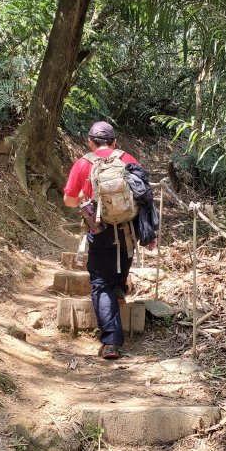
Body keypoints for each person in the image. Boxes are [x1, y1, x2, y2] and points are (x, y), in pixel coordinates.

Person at [63, 122, 140, 359]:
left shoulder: (83, 163)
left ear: (90, 142)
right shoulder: (128, 159)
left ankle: (111, 342)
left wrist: (84, 197)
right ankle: (119, 287)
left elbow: (69, 201)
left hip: (99, 230)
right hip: (128, 229)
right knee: (119, 268)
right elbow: (142, 193)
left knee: (100, 283)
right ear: (114, 142)